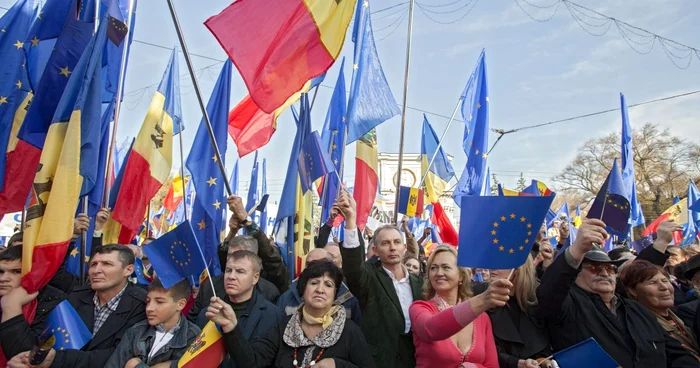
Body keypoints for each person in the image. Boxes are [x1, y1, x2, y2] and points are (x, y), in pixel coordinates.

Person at [537, 219, 674, 367]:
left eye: (609, 268)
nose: (604, 273)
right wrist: (577, 249)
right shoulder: (568, 305)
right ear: (576, 273)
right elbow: (550, 290)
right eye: (594, 267)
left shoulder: (638, 310)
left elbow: (674, 352)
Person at [206, 259, 375, 368]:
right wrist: (230, 326)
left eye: (328, 285)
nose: (320, 290)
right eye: (314, 283)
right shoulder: (284, 326)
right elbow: (252, 361)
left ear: (335, 294)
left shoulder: (349, 331)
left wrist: (337, 365)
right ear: (303, 290)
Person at [8, 244, 147, 368]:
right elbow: (47, 337)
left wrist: (56, 360)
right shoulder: (74, 296)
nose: (96, 270)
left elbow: (117, 355)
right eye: (93, 264)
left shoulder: (142, 304)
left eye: (107, 264)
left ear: (128, 270)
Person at [336, 191, 423, 367]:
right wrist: (351, 220)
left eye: (397, 242)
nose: (392, 248)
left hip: (414, 360)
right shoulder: (369, 277)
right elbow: (353, 270)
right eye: (385, 243)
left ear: (405, 248)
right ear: (375, 250)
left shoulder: (419, 284)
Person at [409, 245, 506, 368]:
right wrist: (482, 300)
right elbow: (431, 329)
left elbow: (492, 365)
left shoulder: (482, 318)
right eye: (433, 268)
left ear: (461, 276)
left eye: (446, 267)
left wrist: (474, 367)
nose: (439, 273)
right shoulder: (419, 308)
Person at [198, 250, 284, 367]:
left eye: (240, 272)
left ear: (255, 278)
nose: (231, 277)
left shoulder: (273, 316)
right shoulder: (208, 313)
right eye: (228, 270)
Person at [105, 278, 201, 368]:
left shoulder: (193, 336)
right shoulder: (136, 330)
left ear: (180, 304)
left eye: (159, 302)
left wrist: (136, 365)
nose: (149, 308)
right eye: (148, 301)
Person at [619, 260, 700, 365]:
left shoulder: (681, 317)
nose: (664, 287)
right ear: (632, 291)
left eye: (665, 281)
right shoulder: (641, 327)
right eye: (652, 283)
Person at [0, 246, 65, 366]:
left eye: (16, 271)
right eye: (1, 272)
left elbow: (29, 359)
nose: (3, 279)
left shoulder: (54, 301)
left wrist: (11, 306)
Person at [486, 256, 552, 368]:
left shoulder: (539, 298)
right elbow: (488, 349)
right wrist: (517, 363)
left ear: (517, 269)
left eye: (500, 264)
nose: (492, 268)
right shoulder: (483, 300)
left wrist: (544, 361)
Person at [277, 248, 361, 326]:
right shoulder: (287, 297)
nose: (320, 290)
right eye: (309, 264)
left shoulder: (349, 300)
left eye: (318, 264)